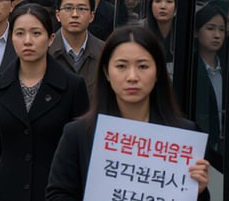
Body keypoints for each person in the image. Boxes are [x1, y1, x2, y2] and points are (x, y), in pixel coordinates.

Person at [46, 26, 212, 200]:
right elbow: (58, 195)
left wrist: (198, 190)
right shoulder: (78, 133)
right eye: (121, 66)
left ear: (157, 72)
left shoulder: (184, 137)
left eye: (143, 66)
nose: (132, 77)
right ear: (106, 72)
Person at [0, 4, 88, 201]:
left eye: (36, 33)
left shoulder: (73, 86)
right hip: (6, 192)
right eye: (19, 33)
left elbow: (82, 152)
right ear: (11, 38)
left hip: (53, 192)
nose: (27, 41)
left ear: (51, 39)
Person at [48, 0, 105, 98]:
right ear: (58, 15)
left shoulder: (104, 51)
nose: (75, 15)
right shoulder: (46, 49)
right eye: (68, 8)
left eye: (81, 9)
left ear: (92, 16)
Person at [192, 5, 227, 152]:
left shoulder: (228, 68)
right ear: (196, 32)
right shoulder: (190, 67)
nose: (217, 35)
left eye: (222, 30)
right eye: (210, 28)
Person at [145, 0, 179, 76]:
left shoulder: (183, 32)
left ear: (176, 7)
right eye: (158, 1)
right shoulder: (140, 30)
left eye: (169, 1)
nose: (163, 6)